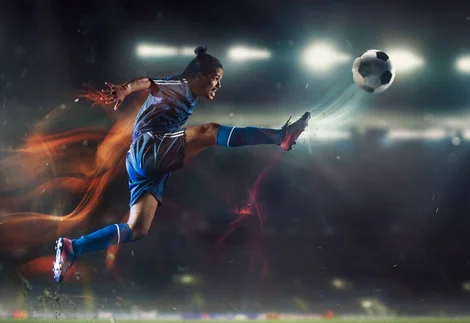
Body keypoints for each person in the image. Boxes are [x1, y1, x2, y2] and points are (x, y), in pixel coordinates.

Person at [53, 46, 310, 282]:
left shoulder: (188, 94)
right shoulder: (177, 84)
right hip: (150, 147)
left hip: (145, 162)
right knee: (210, 131)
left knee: (137, 228)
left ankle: (74, 247)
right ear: (199, 75)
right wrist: (125, 89)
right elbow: (149, 83)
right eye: (216, 78)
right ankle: (279, 136)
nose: (219, 85)